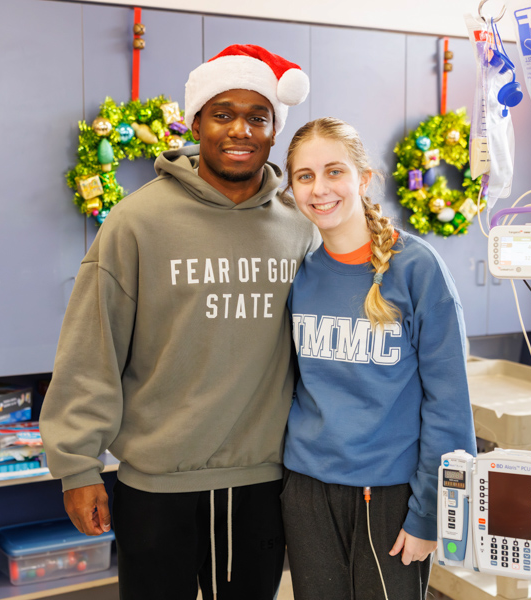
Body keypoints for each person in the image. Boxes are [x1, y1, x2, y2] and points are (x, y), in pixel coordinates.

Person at [40, 45, 317, 600]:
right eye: (223, 114)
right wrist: (78, 466)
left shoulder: (299, 226)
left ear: (273, 131)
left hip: (262, 481)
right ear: (196, 123)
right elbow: (91, 349)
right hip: (156, 482)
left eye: (257, 117)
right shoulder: (137, 220)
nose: (240, 129)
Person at [279, 117, 477, 600]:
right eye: (304, 176)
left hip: (390, 495)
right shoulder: (298, 273)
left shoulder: (417, 268)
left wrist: (431, 510)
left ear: (364, 179)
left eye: (334, 172)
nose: (319, 189)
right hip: (306, 491)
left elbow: (449, 405)